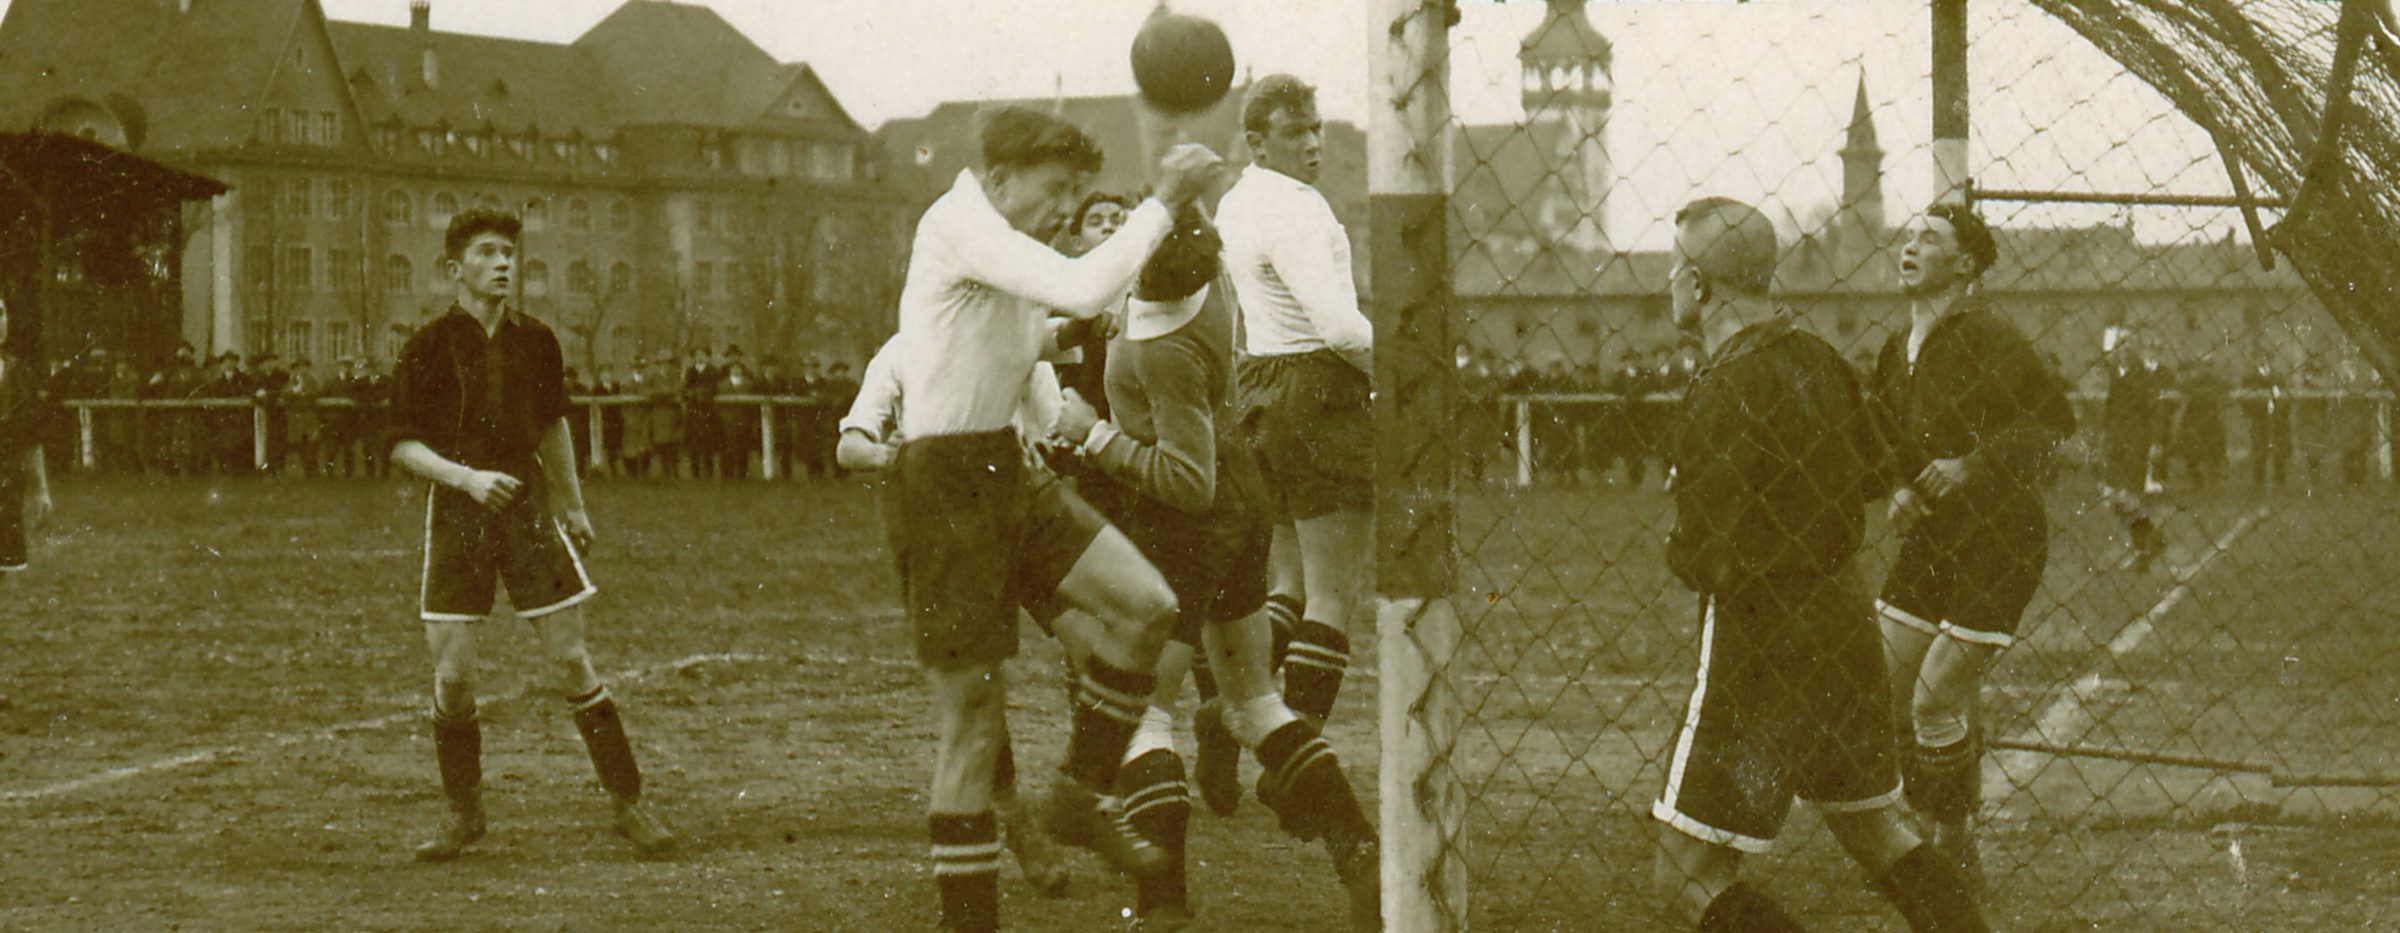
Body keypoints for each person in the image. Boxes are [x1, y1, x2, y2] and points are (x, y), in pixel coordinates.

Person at [880, 104, 1218, 931]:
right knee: (972, 725)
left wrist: (1080, 328)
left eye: (1075, 191)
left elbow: (1028, 331)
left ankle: (1077, 793)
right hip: (945, 483)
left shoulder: (1002, 238)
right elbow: (1082, 283)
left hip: (1008, 468)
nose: (1066, 208)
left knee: (1148, 606)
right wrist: (1165, 201)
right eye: (1056, 188)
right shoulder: (961, 222)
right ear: (999, 178)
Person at [1654, 197, 1987, 932]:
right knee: (1877, 832)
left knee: (1685, 875)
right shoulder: (1818, 357)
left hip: (1761, 638)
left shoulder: (1722, 382)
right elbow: (1874, 469)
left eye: (1675, 266)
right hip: (1843, 623)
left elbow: (1705, 554)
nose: (1670, 281)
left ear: (1699, 285)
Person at [1053, 207, 1382, 930]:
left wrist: (1096, 433)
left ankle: (1164, 900)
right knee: (1253, 701)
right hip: (1243, 505)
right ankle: (1360, 854)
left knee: (1146, 711)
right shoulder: (1208, 290)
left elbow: (1186, 480)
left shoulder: (1158, 350)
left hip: (1184, 524)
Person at [388, 208, 674, 861]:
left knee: (571, 658)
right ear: (455, 268)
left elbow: (552, 425)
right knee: (453, 677)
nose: (503, 263)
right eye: (488, 253)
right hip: (458, 513)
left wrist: (574, 506)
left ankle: (628, 801)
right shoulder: (426, 345)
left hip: (528, 510)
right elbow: (401, 444)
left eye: (508, 253)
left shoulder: (537, 340)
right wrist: (465, 479)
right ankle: (464, 811)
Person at [1871, 203, 2075, 877]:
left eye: (1928, 240)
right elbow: (1885, 439)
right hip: (1932, 540)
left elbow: (2053, 424)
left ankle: (1952, 842)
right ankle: (1934, 824)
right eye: (1908, 237)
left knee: (1935, 699)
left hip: (2000, 536)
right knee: (1884, 692)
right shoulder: (1893, 350)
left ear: (1964, 264)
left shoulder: (1990, 335)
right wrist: (1900, 486)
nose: (1910, 247)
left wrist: (1973, 463)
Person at [1218, 74, 1372, 749]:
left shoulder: (1236, 202)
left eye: (1316, 129)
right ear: (1257, 142)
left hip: (1261, 386)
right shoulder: (1298, 206)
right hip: (1318, 387)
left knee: (1291, 581)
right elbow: (1338, 328)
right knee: (1333, 593)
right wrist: (1406, 376)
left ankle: (1228, 711)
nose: (1312, 144)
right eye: (1294, 132)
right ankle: (1297, 757)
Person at [2098, 327, 2168, 571]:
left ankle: (2141, 554)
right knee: (2113, 498)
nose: (2124, 349)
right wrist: (2105, 433)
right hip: (2116, 442)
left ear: (2135, 349)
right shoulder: (2115, 373)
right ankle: (2154, 537)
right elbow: (2111, 407)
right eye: (2120, 344)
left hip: (2136, 444)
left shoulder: (2143, 377)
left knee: (2128, 498)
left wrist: (2156, 442)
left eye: (2128, 344)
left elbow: (2156, 411)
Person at [1, 298, 56, 579]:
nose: (0, 322)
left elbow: (32, 439)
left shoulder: (20, 373)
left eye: (1, 313)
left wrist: (42, 490)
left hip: (8, 488)